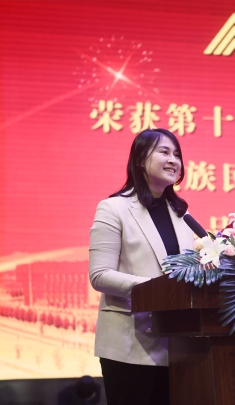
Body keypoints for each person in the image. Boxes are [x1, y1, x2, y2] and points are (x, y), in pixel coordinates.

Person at [89, 128, 194, 405]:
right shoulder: (114, 208)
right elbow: (100, 275)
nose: (173, 160)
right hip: (128, 345)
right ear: (139, 159)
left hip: (176, 347)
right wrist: (158, 290)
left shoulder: (182, 216)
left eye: (177, 154)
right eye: (164, 152)